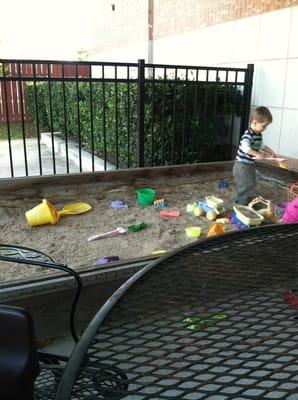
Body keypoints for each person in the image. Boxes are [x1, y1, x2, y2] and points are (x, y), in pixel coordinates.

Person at [233, 106, 276, 205]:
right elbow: (245, 148)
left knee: (251, 183)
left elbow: (262, 145)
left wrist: (271, 151)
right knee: (244, 185)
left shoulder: (258, 134)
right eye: (264, 126)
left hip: (249, 164)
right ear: (255, 122)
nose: (265, 129)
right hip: (242, 165)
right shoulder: (248, 134)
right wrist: (257, 154)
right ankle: (241, 204)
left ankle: (245, 200)